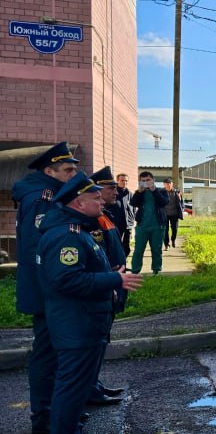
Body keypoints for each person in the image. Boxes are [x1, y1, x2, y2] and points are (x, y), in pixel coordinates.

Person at [38, 171, 144, 434]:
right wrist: (114, 279)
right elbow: (67, 280)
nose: (101, 201)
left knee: (78, 387)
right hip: (76, 324)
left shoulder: (78, 229)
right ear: (78, 203)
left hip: (85, 322)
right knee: (70, 388)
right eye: (95, 198)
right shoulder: (66, 236)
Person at [13, 142, 80, 434]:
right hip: (46, 288)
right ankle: (44, 415)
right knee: (46, 352)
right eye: (68, 169)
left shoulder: (52, 192)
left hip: (49, 287)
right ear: (49, 171)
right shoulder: (43, 196)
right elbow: (34, 248)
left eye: (75, 168)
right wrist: (55, 287)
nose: (73, 174)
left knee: (54, 351)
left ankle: (56, 409)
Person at [86, 167, 129, 405]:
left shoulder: (105, 215)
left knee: (103, 338)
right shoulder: (92, 220)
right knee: (95, 340)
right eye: (110, 187)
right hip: (105, 285)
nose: (115, 191)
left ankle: (94, 384)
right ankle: (90, 388)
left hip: (112, 283)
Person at [128, 171, 169, 275]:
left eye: (148, 180)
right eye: (143, 181)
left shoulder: (161, 191)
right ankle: (135, 270)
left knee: (156, 249)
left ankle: (156, 270)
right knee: (138, 249)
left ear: (153, 180)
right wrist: (139, 192)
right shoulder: (140, 193)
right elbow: (133, 203)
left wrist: (154, 190)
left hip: (158, 226)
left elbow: (163, 202)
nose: (146, 182)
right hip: (142, 226)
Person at [114, 172, 135, 254]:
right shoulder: (113, 193)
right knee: (116, 245)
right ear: (117, 180)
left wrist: (132, 219)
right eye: (122, 180)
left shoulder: (130, 194)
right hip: (116, 224)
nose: (124, 182)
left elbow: (133, 209)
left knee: (126, 246)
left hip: (128, 224)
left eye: (126, 181)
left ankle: (124, 263)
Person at [162, 179, 183, 250]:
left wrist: (182, 208)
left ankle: (173, 240)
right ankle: (166, 244)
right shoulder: (160, 192)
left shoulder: (176, 192)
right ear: (164, 185)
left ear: (172, 184)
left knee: (175, 229)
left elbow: (181, 203)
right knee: (165, 230)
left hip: (174, 214)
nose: (168, 185)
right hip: (164, 214)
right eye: (166, 184)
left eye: (169, 183)